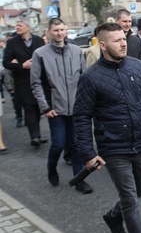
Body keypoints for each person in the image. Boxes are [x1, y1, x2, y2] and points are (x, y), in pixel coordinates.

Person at [73, 22, 141, 233]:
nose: (124, 43)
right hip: (113, 147)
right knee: (129, 197)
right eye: (117, 40)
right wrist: (87, 153)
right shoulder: (91, 78)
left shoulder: (136, 67)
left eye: (124, 38)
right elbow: (82, 117)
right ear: (102, 45)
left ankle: (113, 217)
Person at [30, 18, 92, 194]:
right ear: (49, 32)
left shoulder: (76, 51)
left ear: (66, 30)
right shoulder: (40, 54)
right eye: (56, 30)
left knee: (77, 144)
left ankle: (79, 180)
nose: (59, 33)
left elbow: (84, 78)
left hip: (76, 107)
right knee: (58, 143)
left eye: (62, 30)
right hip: (55, 108)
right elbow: (36, 83)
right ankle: (51, 168)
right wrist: (45, 107)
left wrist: (85, 103)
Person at [2, 18, 46, 147]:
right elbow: (6, 63)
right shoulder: (12, 43)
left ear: (28, 27)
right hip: (22, 80)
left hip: (39, 79)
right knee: (29, 107)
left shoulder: (39, 41)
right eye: (17, 26)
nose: (17, 27)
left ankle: (37, 134)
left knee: (37, 107)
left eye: (20, 25)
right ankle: (34, 136)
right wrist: (22, 65)